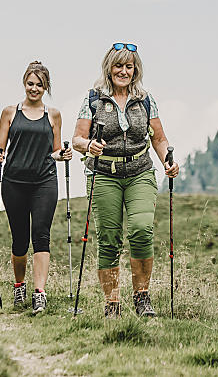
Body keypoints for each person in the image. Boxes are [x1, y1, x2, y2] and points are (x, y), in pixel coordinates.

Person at [72, 42, 179, 318]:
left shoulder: (145, 99)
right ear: (109, 67)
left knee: (142, 231)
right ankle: (112, 303)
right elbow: (77, 139)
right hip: (103, 173)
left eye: (128, 66)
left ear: (135, 70)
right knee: (108, 239)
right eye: (118, 65)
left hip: (139, 171)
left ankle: (142, 297)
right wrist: (88, 145)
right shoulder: (94, 98)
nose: (123, 71)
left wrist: (168, 160)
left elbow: (159, 138)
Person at [0, 61, 72, 314]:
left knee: (41, 235)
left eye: (39, 85)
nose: (34, 89)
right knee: (19, 240)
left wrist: (64, 155)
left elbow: (56, 151)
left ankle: (40, 293)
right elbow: (0, 149)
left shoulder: (54, 115)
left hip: (44, 182)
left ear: (45, 87)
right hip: (14, 182)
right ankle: (19, 285)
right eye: (30, 83)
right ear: (24, 83)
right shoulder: (9, 112)